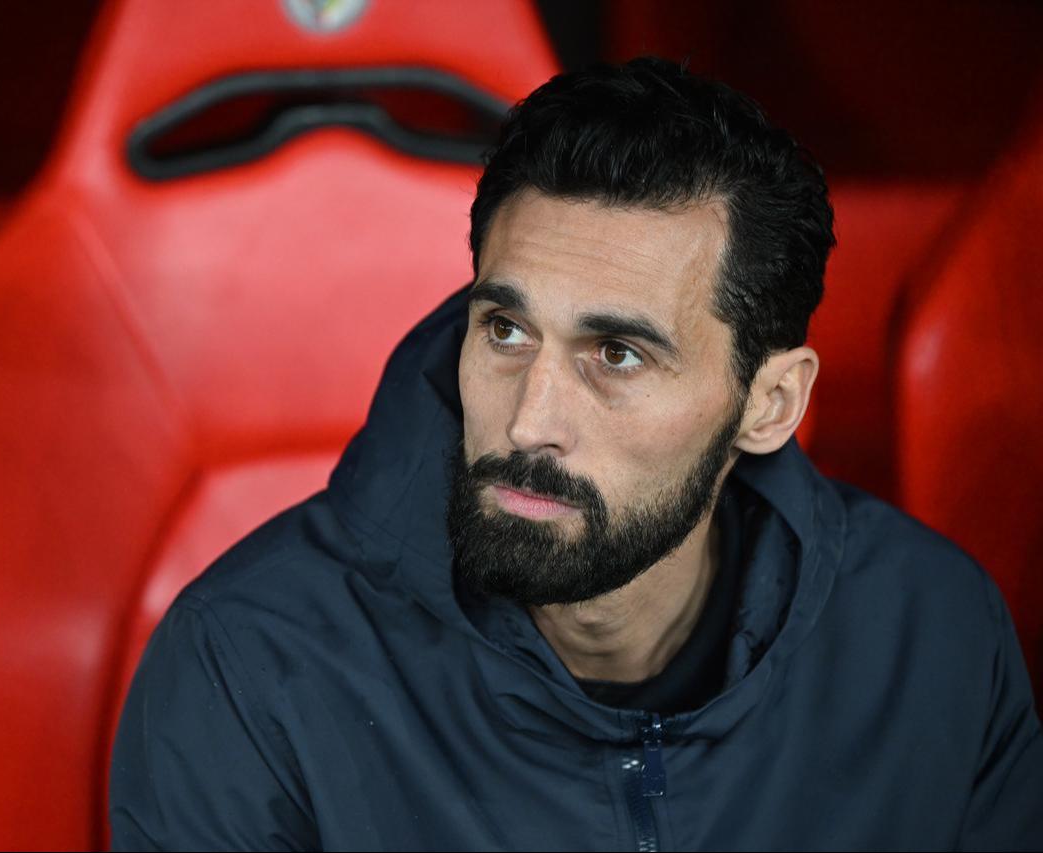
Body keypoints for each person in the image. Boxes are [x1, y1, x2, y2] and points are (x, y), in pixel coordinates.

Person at [109, 58, 1043, 850]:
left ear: (770, 404)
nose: (528, 422)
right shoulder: (245, 667)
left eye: (618, 355)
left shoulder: (931, 640)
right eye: (507, 331)